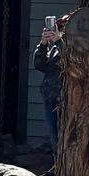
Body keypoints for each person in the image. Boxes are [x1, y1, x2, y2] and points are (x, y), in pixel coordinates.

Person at [33, 14, 65, 146]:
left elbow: (71, 60)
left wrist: (58, 40)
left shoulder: (72, 47)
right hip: (50, 99)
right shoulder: (55, 49)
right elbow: (39, 64)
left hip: (65, 101)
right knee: (55, 141)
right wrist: (43, 44)